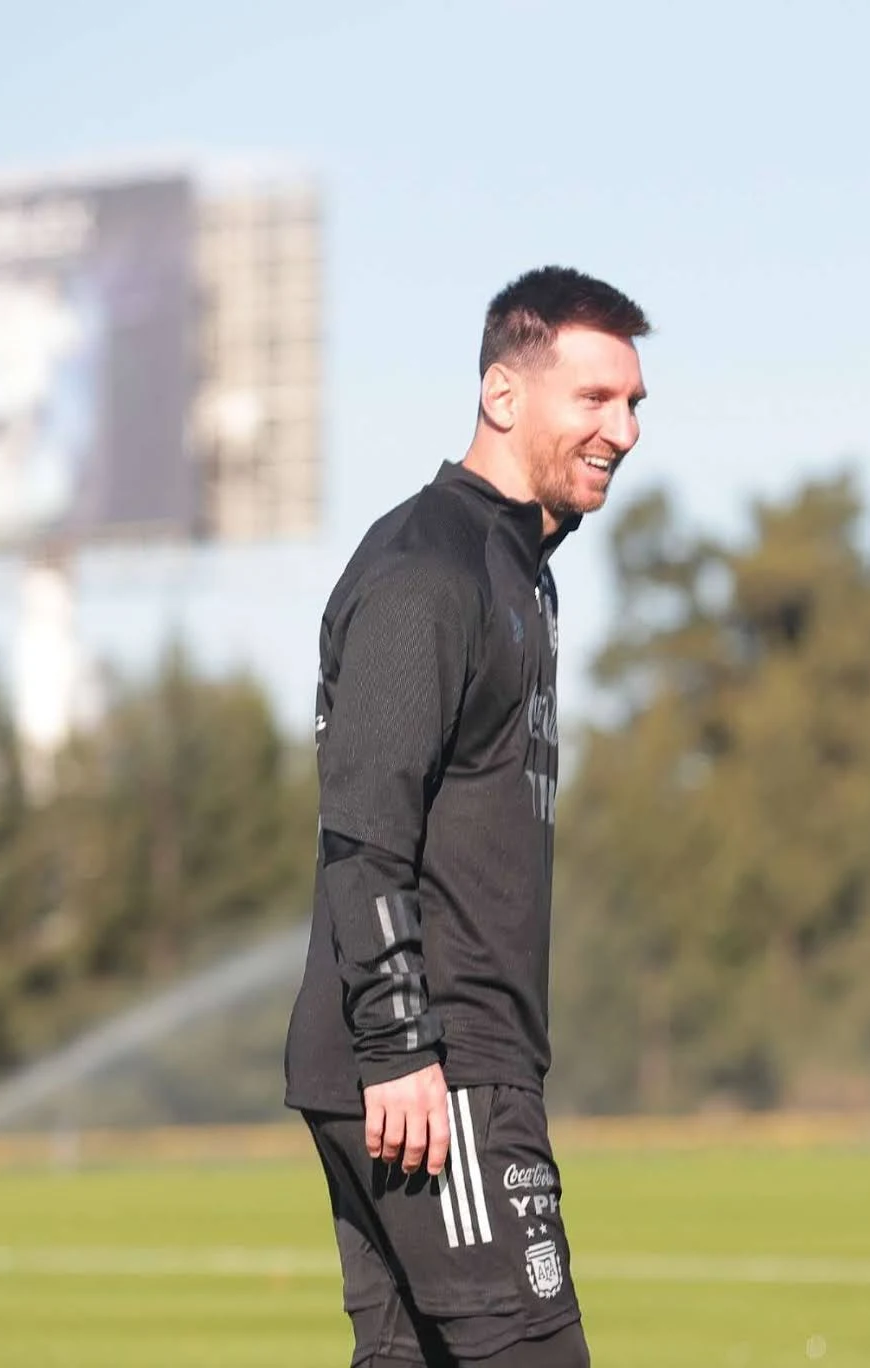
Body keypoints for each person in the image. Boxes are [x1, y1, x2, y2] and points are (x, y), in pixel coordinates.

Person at [284, 266, 651, 1367]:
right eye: (593, 398)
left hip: (451, 1063)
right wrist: (401, 1042)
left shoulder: (518, 570)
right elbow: (362, 829)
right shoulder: (426, 569)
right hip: (432, 1069)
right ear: (502, 394)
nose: (622, 430)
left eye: (633, 405)